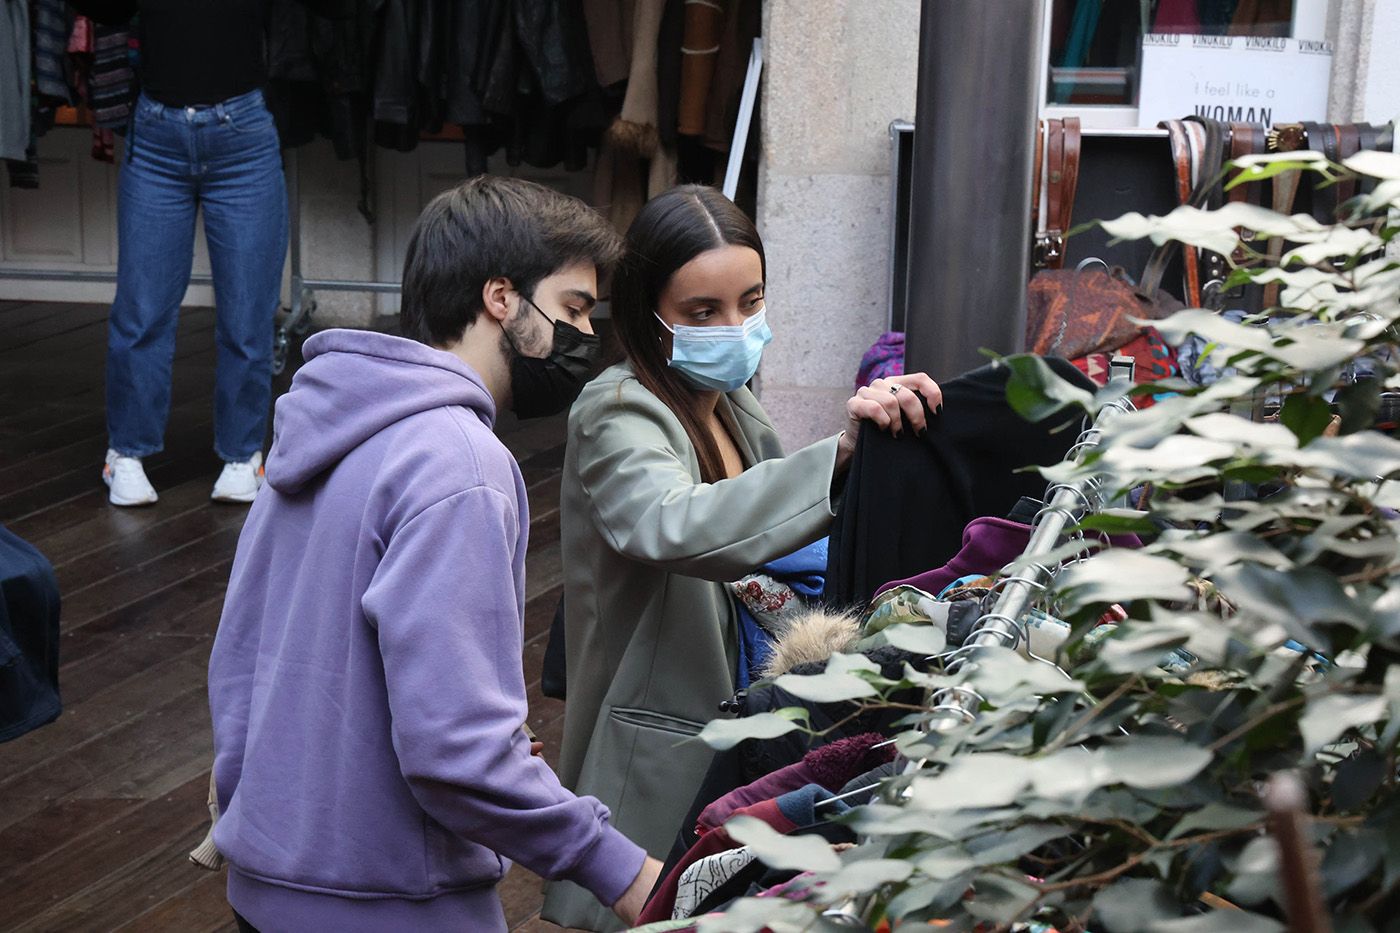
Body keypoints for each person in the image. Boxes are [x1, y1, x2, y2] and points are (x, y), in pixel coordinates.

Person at [207, 177, 661, 933]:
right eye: (575, 309)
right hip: (390, 904)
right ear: (500, 298)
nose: (585, 336)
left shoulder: (320, 422)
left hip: (267, 883)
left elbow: (239, 663)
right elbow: (456, 751)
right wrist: (623, 869)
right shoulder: (460, 462)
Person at [542, 184, 942, 930]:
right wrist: (841, 456)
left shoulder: (729, 403)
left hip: (746, 738)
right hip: (664, 756)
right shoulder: (615, 408)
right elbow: (672, 524)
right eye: (703, 312)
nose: (736, 327)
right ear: (647, 316)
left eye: (750, 302)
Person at [70, 0, 319, 506]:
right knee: (141, 312)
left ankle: (243, 453)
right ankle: (127, 453)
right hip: (158, 140)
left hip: (243, 138)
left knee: (248, 314)